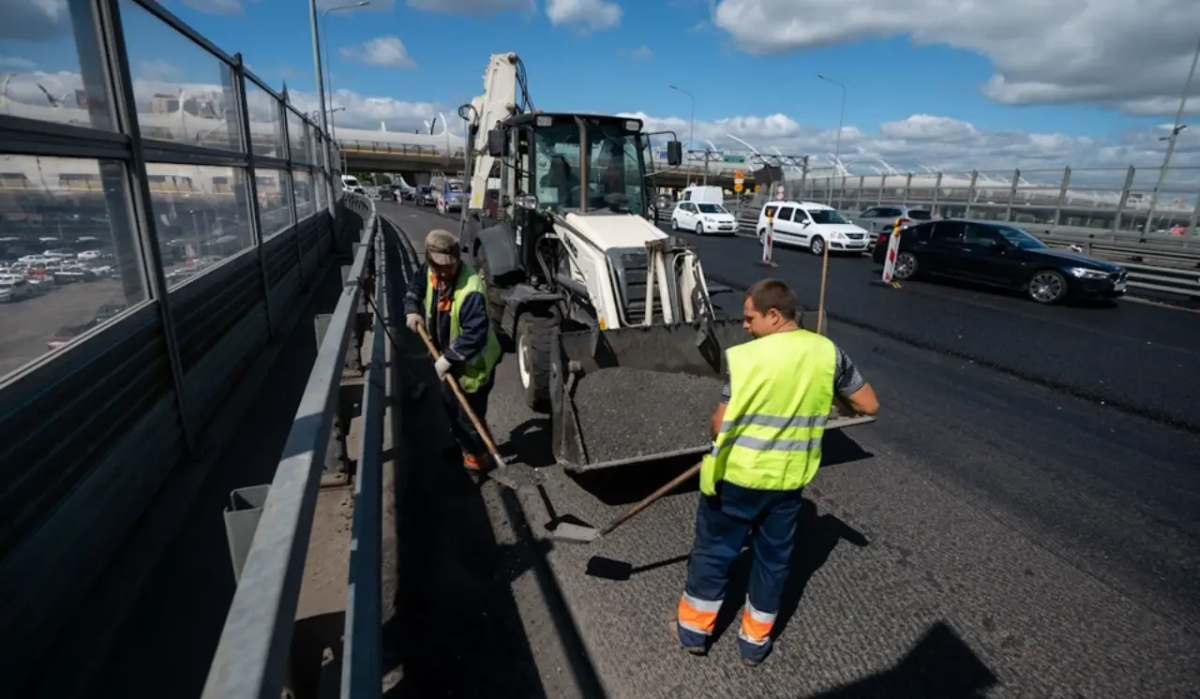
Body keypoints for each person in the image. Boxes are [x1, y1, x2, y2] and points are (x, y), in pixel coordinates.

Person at [676, 279, 879, 667]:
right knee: (773, 562)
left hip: (736, 480)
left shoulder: (748, 359)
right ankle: (754, 643)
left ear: (773, 315)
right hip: (787, 483)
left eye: (750, 318)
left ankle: (694, 633)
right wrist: (838, 400)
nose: (746, 326)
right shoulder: (828, 354)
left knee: (715, 555)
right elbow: (869, 404)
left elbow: (719, 426)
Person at [404, 229, 502, 472]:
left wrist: (448, 357)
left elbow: (475, 334)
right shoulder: (429, 272)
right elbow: (415, 286)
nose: (446, 271)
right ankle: (464, 447)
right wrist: (412, 308)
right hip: (446, 359)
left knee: (469, 415)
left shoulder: (471, 290)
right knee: (450, 405)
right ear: (430, 261)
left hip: (472, 366)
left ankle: (477, 460)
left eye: (450, 266)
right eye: (440, 267)